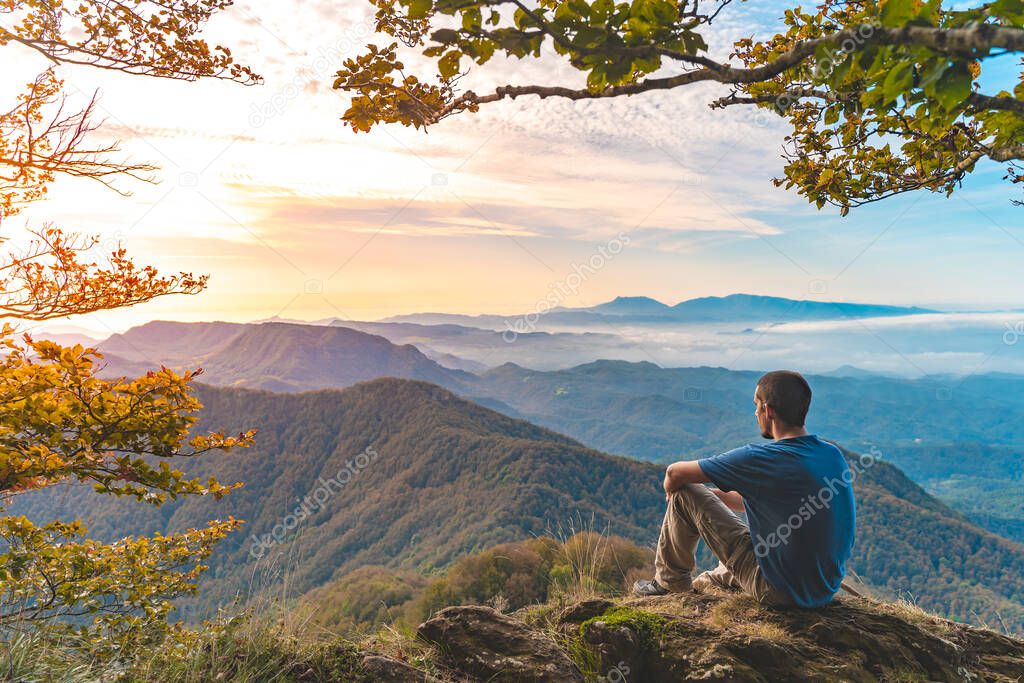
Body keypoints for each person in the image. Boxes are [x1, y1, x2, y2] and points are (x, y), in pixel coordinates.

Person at [633, 370, 856, 608]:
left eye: (757, 405)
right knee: (709, 579)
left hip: (779, 590)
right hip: (822, 588)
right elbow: (763, 499)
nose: (755, 413)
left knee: (684, 492)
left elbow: (674, 473)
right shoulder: (831, 454)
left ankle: (669, 584)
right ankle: (713, 581)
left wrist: (673, 491)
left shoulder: (760, 458)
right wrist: (713, 498)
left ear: (768, 411)